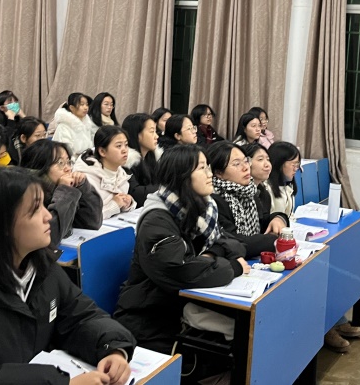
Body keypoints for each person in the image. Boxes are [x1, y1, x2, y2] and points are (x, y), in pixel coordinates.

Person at [0, 168, 136, 384]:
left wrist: (112, 348)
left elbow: (81, 316)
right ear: (1, 225)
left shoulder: (40, 266)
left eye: (45, 205)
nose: (48, 216)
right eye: (35, 210)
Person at [114, 145, 249, 353]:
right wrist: (233, 267)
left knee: (249, 325)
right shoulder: (157, 221)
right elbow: (181, 269)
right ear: (182, 176)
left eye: (208, 167)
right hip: (150, 319)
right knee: (243, 332)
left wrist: (211, 254)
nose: (210, 174)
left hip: (179, 306)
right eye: (202, 168)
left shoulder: (200, 209)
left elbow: (232, 243)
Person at [206, 142, 287, 258]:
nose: (245, 168)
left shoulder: (249, 192)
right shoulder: (214, 200)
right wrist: (272, 239)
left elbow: (262, 222)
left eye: (246, 161)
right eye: (236, 164)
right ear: (219, 172)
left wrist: (279, 218)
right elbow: (234, 241)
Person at [20, 139, 103, 245]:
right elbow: (50, 237)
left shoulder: (61, 188)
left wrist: (83, 187)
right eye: (60, 163)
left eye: (68, 162)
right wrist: (65, 192)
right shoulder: (29, 195)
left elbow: (92, 223)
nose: (68, 168)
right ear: (40, 167)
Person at [73, 126, 136, 219]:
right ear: (102, 151)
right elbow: (87, 218)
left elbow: (120, 206)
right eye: (119, 146)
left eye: (126, 145)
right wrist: (114, 205)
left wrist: (128, 202)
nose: (124, 150)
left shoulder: (121, 173)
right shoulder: (86, 178)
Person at [241, 143, 289, 231]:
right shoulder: (240, 194)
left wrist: (279, 218)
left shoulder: (263, 193)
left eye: (268, 159)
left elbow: (264, 223)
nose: (267, 165)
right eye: (260, 159)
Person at [122, 113, 162, 206]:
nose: (156, 136)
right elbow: (136, 194)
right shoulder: (126, 160)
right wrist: (165, 188)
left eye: (156, 131)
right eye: (152, 131)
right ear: (137, 135)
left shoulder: (153, 157)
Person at [52, 93, 94, 160]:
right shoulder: (63, 127)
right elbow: (65, 154)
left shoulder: (86, 124)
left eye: (86, 104)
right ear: (72, 108)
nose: (86, 107)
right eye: (82, 104)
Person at [266, 141, 301, 216]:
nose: (296, 169)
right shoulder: (266, 189)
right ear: (279, 163)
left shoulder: (287, 185)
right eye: (293, 164)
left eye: (297, 164)